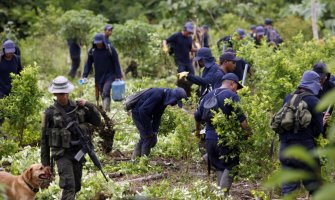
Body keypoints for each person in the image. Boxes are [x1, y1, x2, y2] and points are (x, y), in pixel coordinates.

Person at [40, 76, 101, 200]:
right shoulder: (50, 113)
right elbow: (44, 140)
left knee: (77, 186)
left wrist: (88, 104)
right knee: (69, 186)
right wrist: (45, 164)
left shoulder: (78, 107)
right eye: (58, 94)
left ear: (68, 92)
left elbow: (97, 121)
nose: (62, 96)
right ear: (55, 94)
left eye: (63, 93)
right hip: (62, 155)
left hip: (78, 153)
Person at [194, 73, 251, 195]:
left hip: (209, 139)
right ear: (232, 83)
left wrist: (198, 132)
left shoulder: (208, 95)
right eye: (236, 87)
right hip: (225, 139)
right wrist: (248, 133)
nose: (237, 90)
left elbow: (197, 116)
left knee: (219, 166)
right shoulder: (231, 96)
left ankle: (219, 195)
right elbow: (242, 118)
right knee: (232, 166)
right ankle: (223, 195)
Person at [279, 71, 323, 196]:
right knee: (315, 187)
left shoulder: (288, 97)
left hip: (285, 149)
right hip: (305, 150)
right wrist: (323, 121)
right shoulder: (314, 101)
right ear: (313, 83)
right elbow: (318, 130)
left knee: (288, 189)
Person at [131, 87, 187, 160]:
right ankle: (142, 162)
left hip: (146, 114)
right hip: (138, 113)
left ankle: (135, 160)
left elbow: (157, 116)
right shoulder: (157, 95)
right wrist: (149, 131)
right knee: (147, 138)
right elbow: (142, 111)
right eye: (176, 102)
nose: (174, 104)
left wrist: (155, 131)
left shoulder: (164, 99)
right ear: (173, 97)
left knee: (148, 138)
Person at [82, 33, 123, 112]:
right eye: (96, 43)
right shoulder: (92, 51)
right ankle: (107, 111)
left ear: (103, 41)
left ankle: (105, 111)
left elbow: (116, 62)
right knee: (103, 94)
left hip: (110, 75)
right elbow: (88, 64)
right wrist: (84, 75)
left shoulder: (110, 49)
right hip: (99, 77)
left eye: (99, 42)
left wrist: (119, 75)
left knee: (105, 92)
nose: (98, 44)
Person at [163, 22, 197, 96]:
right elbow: (165, 40)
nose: (189, 34)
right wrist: (165, 47)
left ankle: (187, 91)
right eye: (188, 32)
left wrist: (198, 50)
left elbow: (190, 49)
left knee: (192, 76)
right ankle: (179, 93)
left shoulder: (189, 38)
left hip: (187, 61)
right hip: (179, 61)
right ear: (184, 29)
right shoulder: (177, 36)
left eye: (190, 32)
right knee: (181, 76)